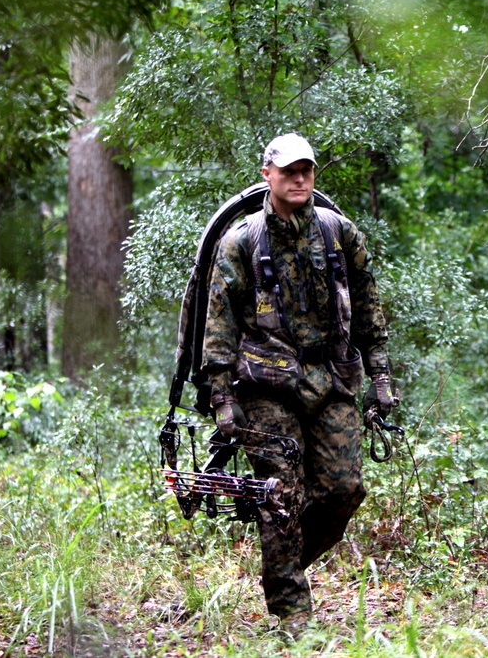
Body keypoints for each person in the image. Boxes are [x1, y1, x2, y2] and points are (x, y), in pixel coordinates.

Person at [201, 132, 397, 633]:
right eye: (289, 171)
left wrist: (380, 377)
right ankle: (292, 615)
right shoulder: (242, 240)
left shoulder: (339, 232)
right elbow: (219, 322)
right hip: (265, 383)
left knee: (344, 490)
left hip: (330, 377)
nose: (299, 178)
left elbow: (369, 308)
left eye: (306, 169)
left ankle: (282, 567)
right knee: (280, 493)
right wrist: (222, 398)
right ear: (267, 174)